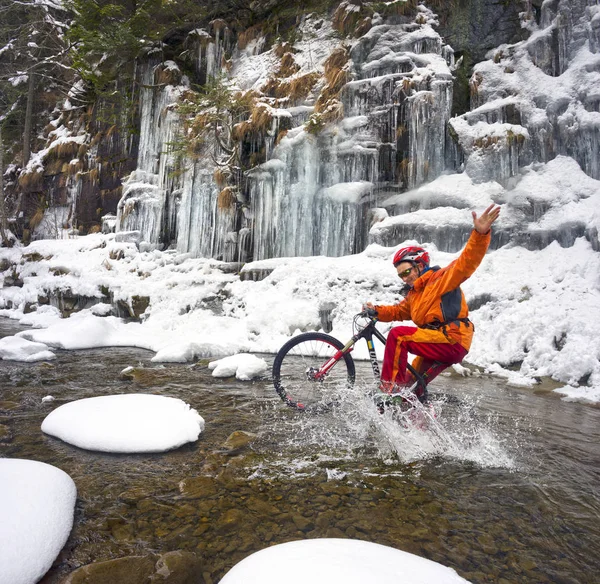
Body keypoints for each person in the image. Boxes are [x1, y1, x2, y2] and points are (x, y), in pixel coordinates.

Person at [365, 203, 501, 397]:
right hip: (436, 341)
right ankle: (417, 422)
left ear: (420, 265)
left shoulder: (441, 279)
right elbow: (398, 311)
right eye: (400, 275)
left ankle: (389, 391)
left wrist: (480, 234)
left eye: (406, 272)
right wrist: (376, 311)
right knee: (411, 387)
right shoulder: (415, 294)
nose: (404, 278)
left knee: (398, 336)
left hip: (452, 338)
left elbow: (466, 263)